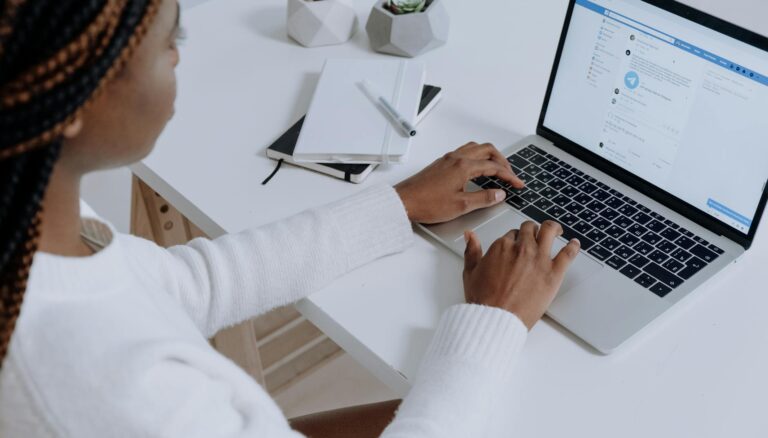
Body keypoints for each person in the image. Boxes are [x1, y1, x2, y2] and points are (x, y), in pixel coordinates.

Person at [0, 0, 580, 436]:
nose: (178, 55)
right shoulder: (115, 391)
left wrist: (397, 204)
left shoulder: (33, 222)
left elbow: (186, 283)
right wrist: (492, 319)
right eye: (166, 40)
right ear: (65, 97)